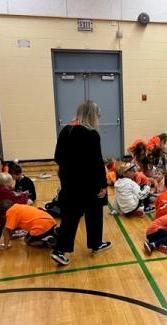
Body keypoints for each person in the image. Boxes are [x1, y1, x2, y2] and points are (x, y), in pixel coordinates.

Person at [52, 100, 111, 266]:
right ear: (92, 115)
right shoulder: (91, 134)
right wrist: (102, 185)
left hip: (69, 183)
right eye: (97, 114)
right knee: (94, 213)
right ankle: (95, 243)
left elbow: (57, 157)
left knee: (70, 217)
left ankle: (60, 250)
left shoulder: (66, 130)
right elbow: (97, 163)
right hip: (88, 184)